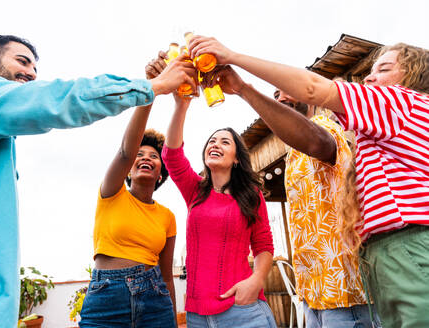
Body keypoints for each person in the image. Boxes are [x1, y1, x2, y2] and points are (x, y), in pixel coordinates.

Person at [0, 34, 196, 328]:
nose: (32, 74)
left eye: (36, 68)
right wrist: (150, 88)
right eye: (22, 61)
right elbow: (54, 101)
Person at [188, 36, 429, 328]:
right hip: (316, 293)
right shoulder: (319, 150)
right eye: (275, 96)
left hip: (346, 294)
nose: (369, 78)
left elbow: (315, 114)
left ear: (412, 76)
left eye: (384, 69)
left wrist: (236, 67)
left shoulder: (337, 126)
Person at [148, 52, 276, 328]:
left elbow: (264, 245)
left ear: (237, 158)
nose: (215, 144)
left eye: (225, 142)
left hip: (243, 311)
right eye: (212, 141)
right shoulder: (195, 190)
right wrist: (181, 106)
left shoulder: (250, 196)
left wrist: (256, 281)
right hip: (196, 316)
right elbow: (171, 156)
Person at [79, 61, 180, 328]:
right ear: (128, 170)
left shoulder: (167, 216)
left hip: (155, 298)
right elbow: (125, 151)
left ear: (161, 173)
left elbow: (167, 276)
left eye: (154, 156)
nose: (145, 158)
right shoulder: (112, 192)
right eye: (140, 155)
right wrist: (151, 92)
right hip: (106, 297)